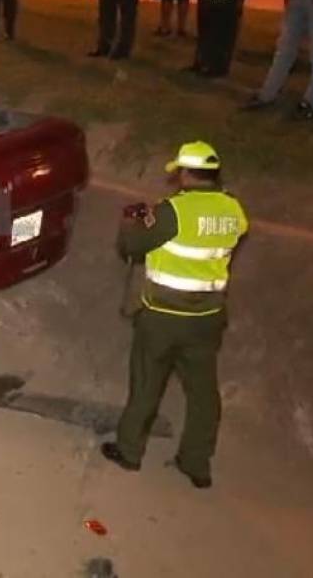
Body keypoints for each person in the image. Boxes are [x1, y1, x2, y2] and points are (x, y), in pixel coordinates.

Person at [101, 141, 249, 490]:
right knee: (203, 393)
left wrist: (131, 223)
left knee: (146, 385)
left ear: (185, 172)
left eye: (178, 172)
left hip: (163, 318)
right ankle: (196, 463)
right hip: (208, 318)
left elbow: (132, 248)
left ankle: (129, 451)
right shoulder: (234, 210)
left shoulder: (173, 211)